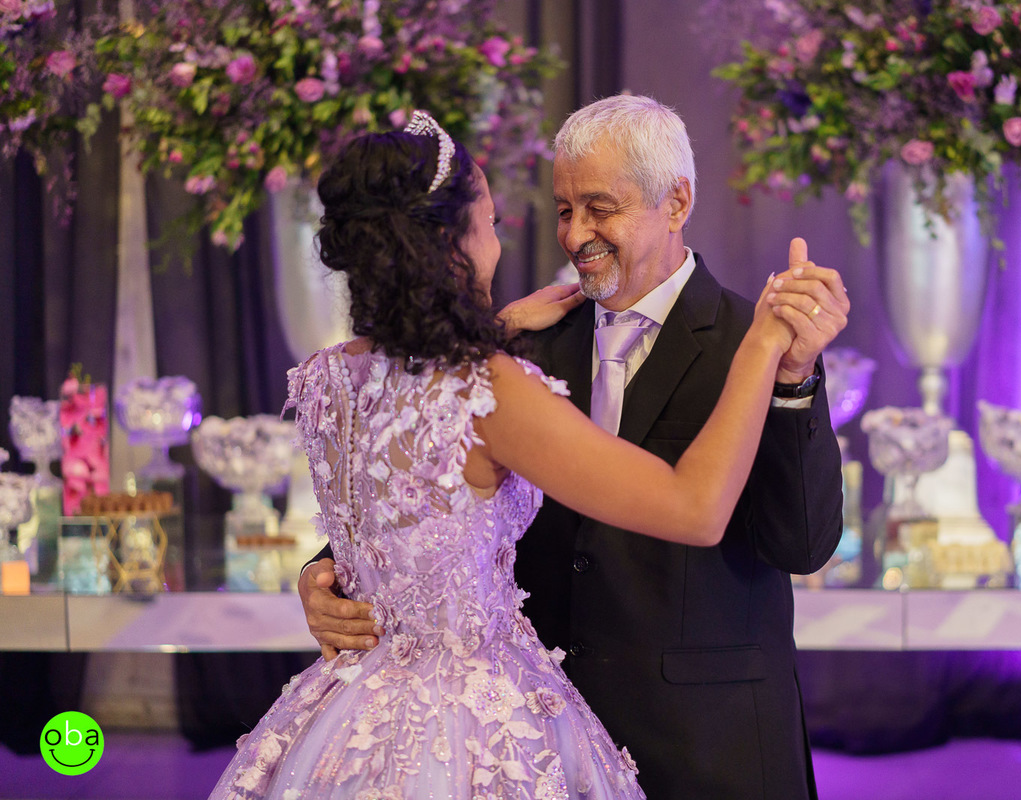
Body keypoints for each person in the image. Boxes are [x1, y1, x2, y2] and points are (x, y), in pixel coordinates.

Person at [208, 110, 830, 799]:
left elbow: (801, 545)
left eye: (600, 208)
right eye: (561, 210)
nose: (573, 234)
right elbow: (424, 489)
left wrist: (785, 371)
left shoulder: (337, 374)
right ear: (450, 242)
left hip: (701, 742)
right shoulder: (507, 363)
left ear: (676, 202)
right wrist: (324, 575)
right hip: (513, 744)